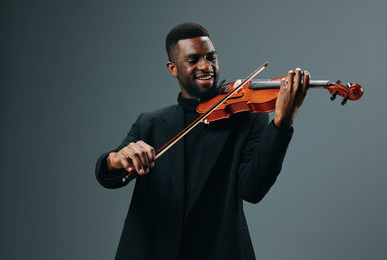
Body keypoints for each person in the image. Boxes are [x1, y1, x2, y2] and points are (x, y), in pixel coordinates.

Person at [95, 22, 309, 260]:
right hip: (152, 250)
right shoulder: (150, 123)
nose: (206, 66)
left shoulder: (247, 119)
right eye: (193, 60)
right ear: (173, 68)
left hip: (219, 251)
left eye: (211, 57)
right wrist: (117, 158)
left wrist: (282, 124)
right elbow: (109, 174)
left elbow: (252, 190)